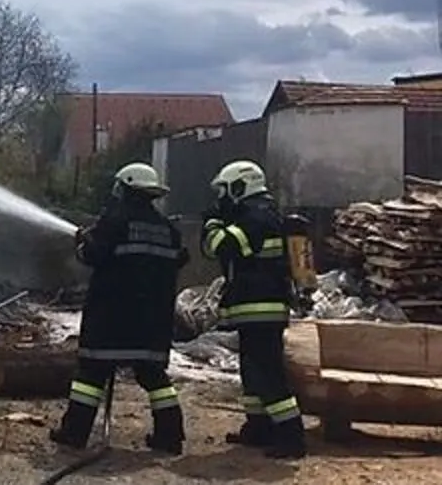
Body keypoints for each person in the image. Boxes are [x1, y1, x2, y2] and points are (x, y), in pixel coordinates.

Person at [50, 162, 189, 455]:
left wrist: (82, 241)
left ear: (125, 187)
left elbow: (92, 255)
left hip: (111, 318)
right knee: (155, 378)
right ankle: (170, 436)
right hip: (153, 321)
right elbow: (180, 260)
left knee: (90, 376)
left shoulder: (114, 220)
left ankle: (73, 433)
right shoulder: (168, 230)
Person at [200, 160, 306, 459]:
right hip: (256, 308)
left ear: (238, 186)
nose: (221, 198)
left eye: (224, 191)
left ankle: (290, 437)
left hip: (263, 307)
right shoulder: (257, 213)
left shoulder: (256, 216)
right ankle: (258, 428)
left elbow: (221, 247)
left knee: (268, 373)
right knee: (252, 371)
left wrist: (212, 223)